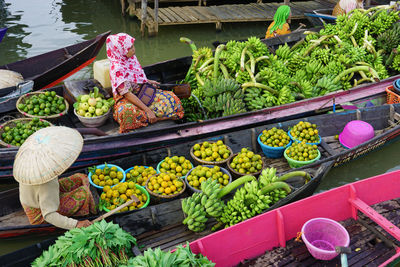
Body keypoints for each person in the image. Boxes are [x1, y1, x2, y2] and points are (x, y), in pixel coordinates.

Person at [14, 126, 96, 230]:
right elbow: (49, 215)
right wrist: (76, 224)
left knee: (79, 178)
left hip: (34, 197)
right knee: (83, 193)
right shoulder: (46, 183)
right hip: (40, 212)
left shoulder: (33, 165)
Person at [106, 33, 184, 133]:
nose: (134, 49)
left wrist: (148, 81)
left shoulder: (131, 58)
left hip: (142, 91)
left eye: (133, 46)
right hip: (127, 99)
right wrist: (148, 110)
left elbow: (136, 77)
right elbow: (127, 94)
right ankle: (155, 118)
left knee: (173, 100)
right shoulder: (117, 69)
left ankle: (149, 119)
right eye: (130, 48)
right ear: (121, 50)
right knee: (127, 113)